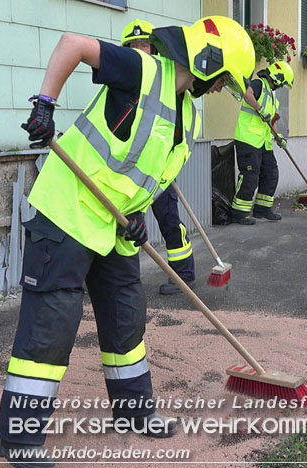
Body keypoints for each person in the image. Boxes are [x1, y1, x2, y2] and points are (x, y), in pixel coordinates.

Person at [0, 16, 255, 468]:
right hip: (69, 212)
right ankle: (18, 437)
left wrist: (135, 216)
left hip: (113, 229)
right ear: (210, 63)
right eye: (226, 80)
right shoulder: (142, 70)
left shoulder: (186, 113)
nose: (222, 90)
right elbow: (72, 42)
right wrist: (44, 105)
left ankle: (135, 409)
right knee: (53, 324)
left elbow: (146, 174)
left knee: (126, 319)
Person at [120, 20, 195, 295]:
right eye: (134, 46)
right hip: (129, 170)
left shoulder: (169, 85)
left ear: (154, 49)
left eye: (145, 45)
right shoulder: (128, 83)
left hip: (159, 169)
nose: (140, 50)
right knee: (124, 225)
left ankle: (183, 275)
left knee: (168, 221)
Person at [231, 60, 295, 224]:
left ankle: (262, 209)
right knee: (250, 176)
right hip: (248, 139)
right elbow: (247, 94)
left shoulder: (272, 96)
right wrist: (260, 110)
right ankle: (239, 213)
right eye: (283, 83)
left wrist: (279, 136)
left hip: (263, 142)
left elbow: (271, 120)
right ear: (278, 77)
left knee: (271, 174)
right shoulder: (259, 84)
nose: (282, 87)